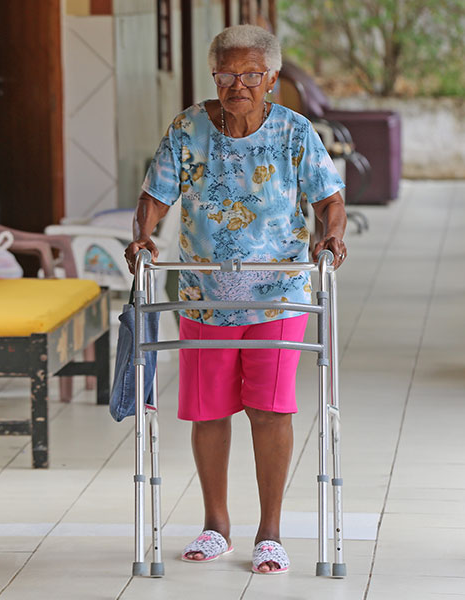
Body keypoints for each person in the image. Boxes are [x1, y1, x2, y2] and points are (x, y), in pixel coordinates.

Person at [125, 25, 348, 574]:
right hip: (206, 295)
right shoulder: (189, 128)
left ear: (271, 78)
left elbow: (329, 198)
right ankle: (216, 524)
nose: (237, 84)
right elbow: (154, 193)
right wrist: (143, 233)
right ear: (215, 76)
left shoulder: (295, 133)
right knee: (210, 411)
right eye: (227, 74)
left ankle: (270, 532)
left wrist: (331, 236)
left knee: (270, 409)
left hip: (278, 295)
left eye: (250, 74)